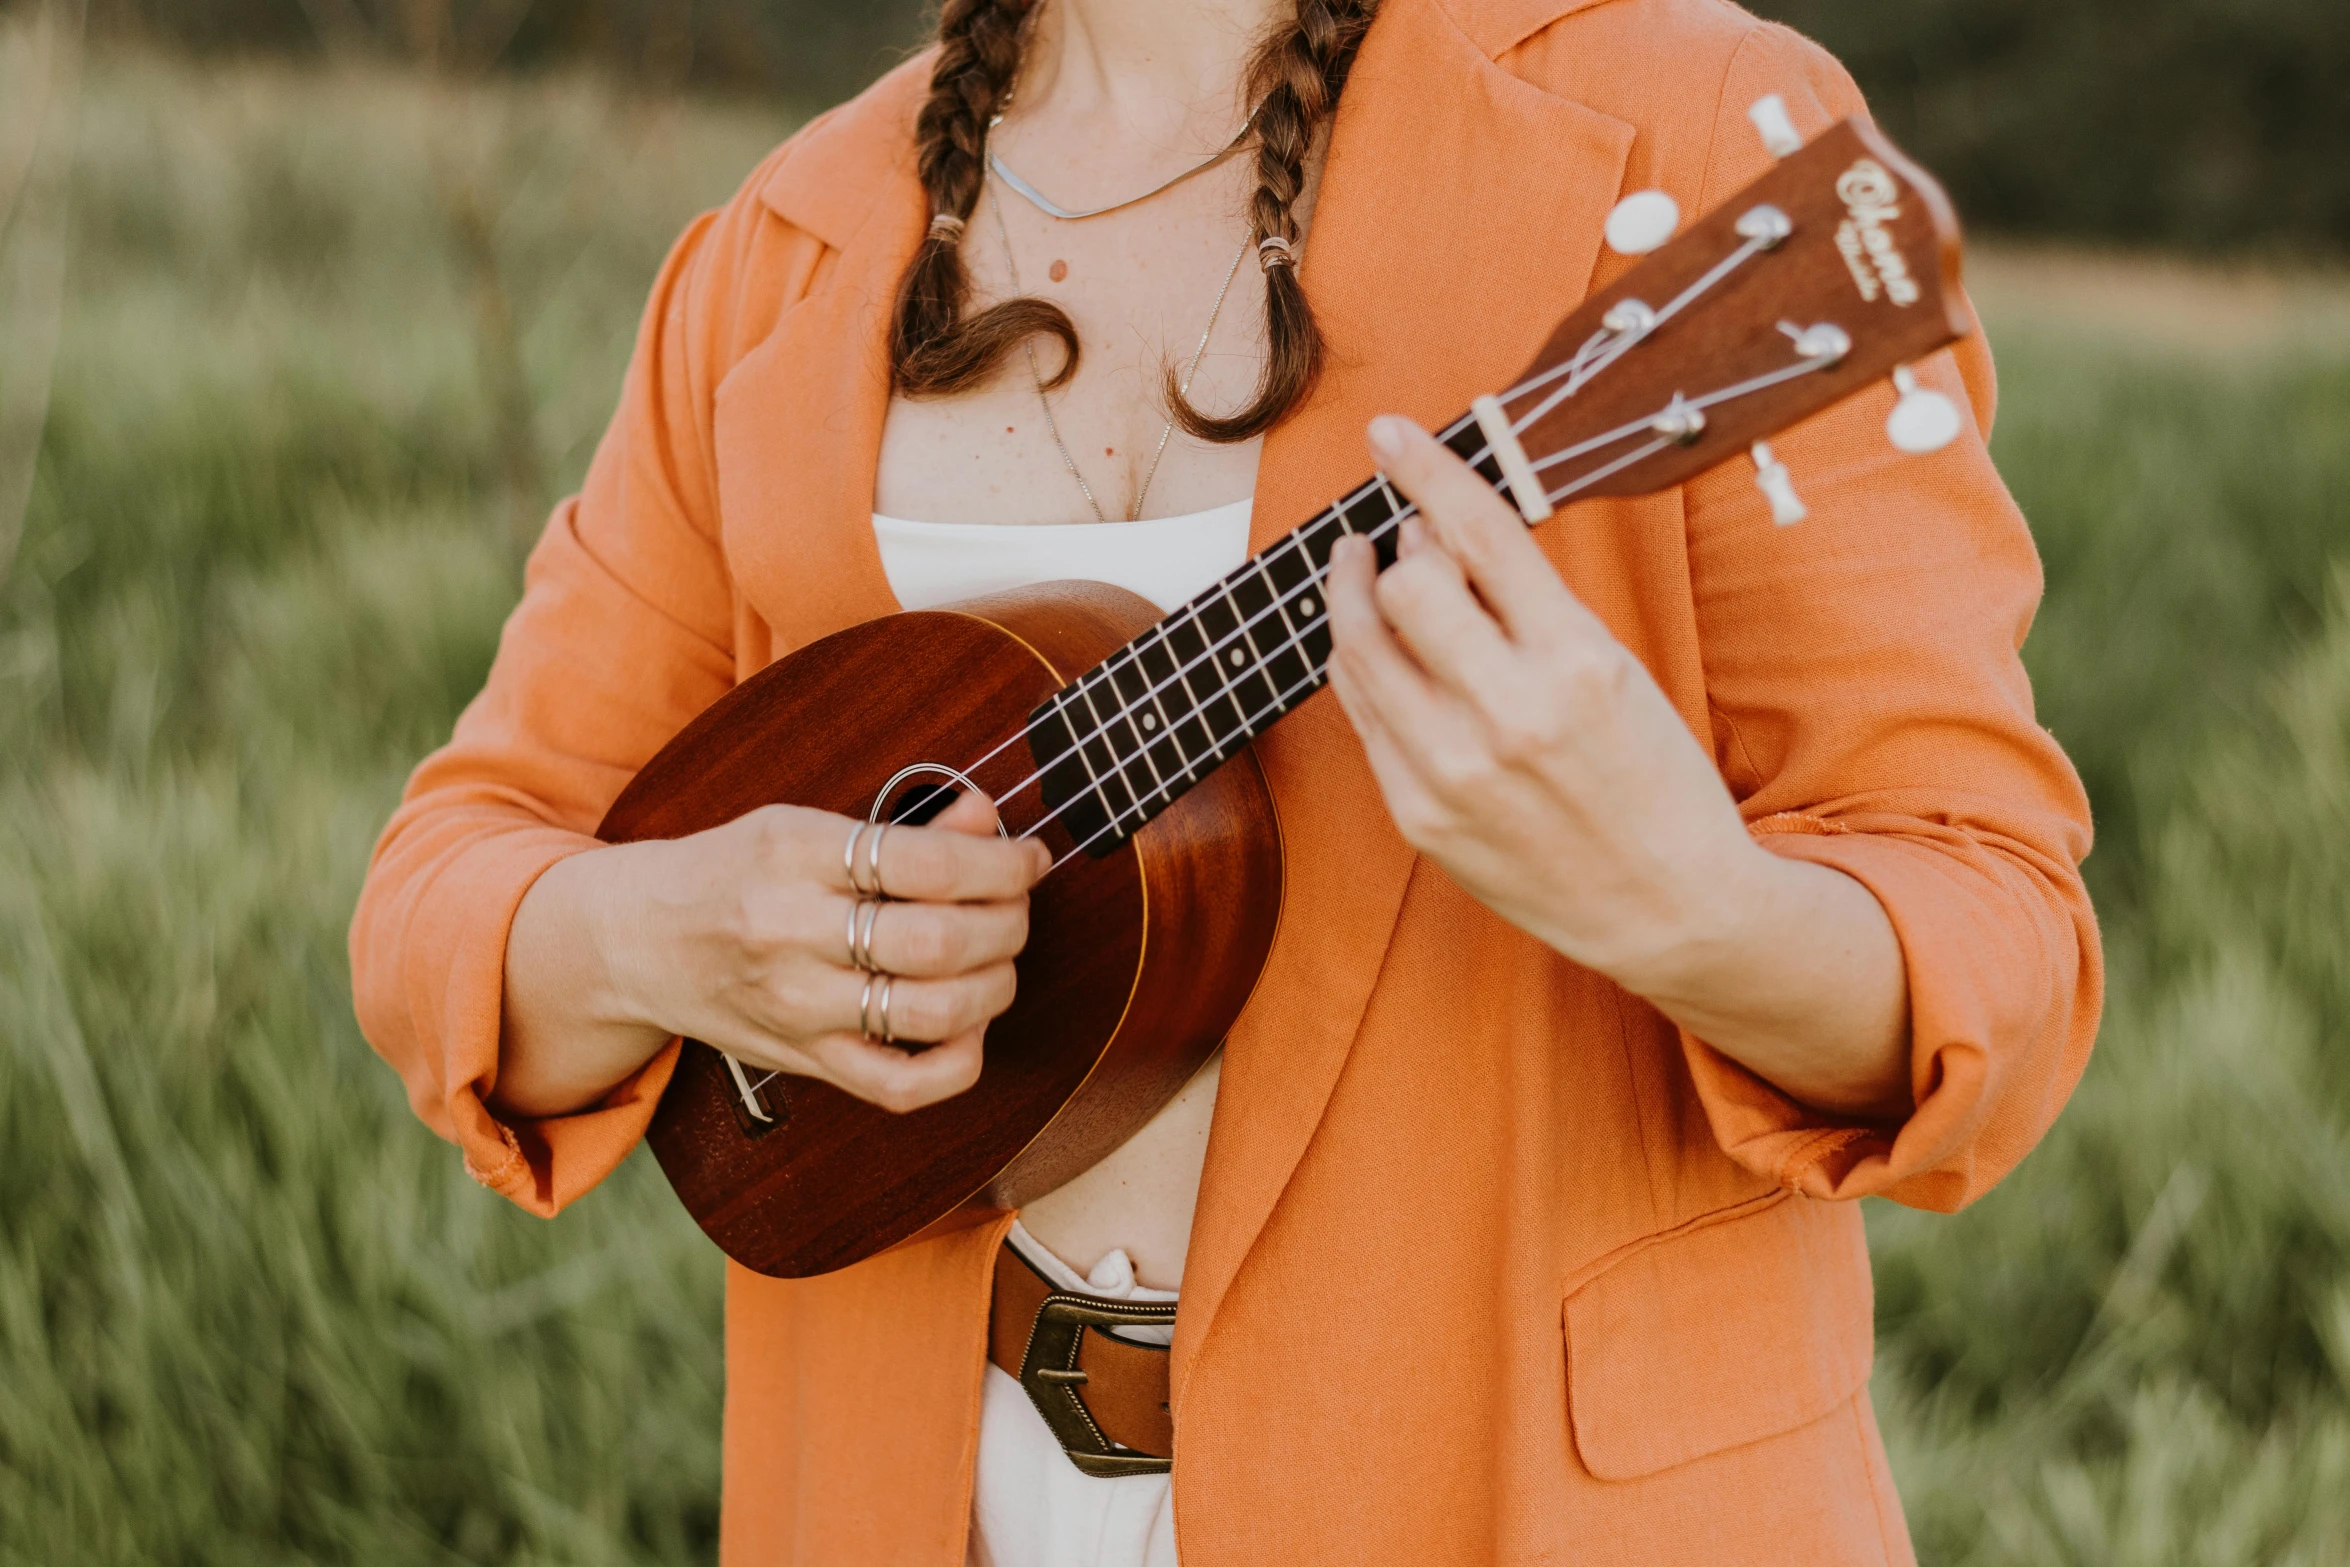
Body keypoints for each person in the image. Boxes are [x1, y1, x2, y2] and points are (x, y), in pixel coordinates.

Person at [349, 0, 2102, 1561]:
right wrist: (662, 934)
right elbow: (444, 898)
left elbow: (1999, 948)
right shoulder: (783, 250)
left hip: (1526, 1504)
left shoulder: (1689, 131)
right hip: (909, 1494)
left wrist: (1694, 911)